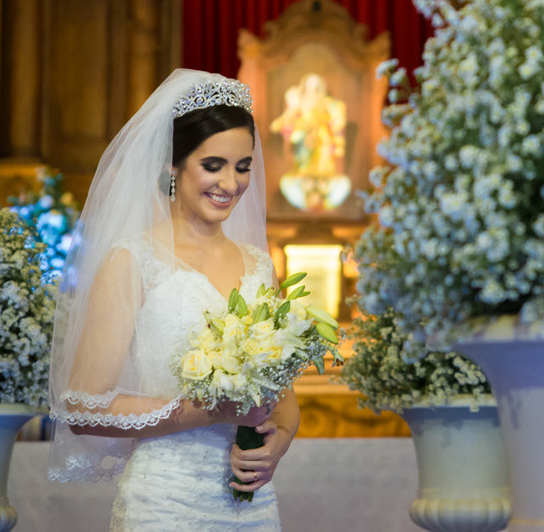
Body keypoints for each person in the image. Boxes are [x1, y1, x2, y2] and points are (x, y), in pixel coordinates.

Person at [48, 69, 298, 530]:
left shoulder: (260, 266)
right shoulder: (132, 261)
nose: (231, 183)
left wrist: (278, 442)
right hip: (164, 503)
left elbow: (282, 397)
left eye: (243, 166)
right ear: (173, 164)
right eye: (213, 165)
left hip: (253, 507)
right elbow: (82, 407)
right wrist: (207, 412)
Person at [270, 73, 351, 211]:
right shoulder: (299, 104)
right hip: (304, 147)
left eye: (316, 88)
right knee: (303, 170)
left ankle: (322, 196)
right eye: (309, 88)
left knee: (324, 171)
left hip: (323, 144)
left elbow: (338, 122)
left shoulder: (329, 104)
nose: (313, 92)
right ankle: (308, 194)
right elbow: (280, 125)